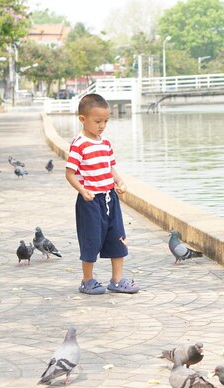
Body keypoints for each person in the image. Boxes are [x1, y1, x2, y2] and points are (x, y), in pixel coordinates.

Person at [65, 93, 139, 294]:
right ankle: (87, 280)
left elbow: (110, 167)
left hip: (110, 198)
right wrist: (82, 190)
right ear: (83, 119)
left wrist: (119, 181)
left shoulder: (105, 144)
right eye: (97, 121)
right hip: (90, 202)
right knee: (91, 240)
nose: (102, 125)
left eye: (105, 121)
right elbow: (70, 173)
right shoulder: (79, 144)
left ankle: (117, 280)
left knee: (117, 236)